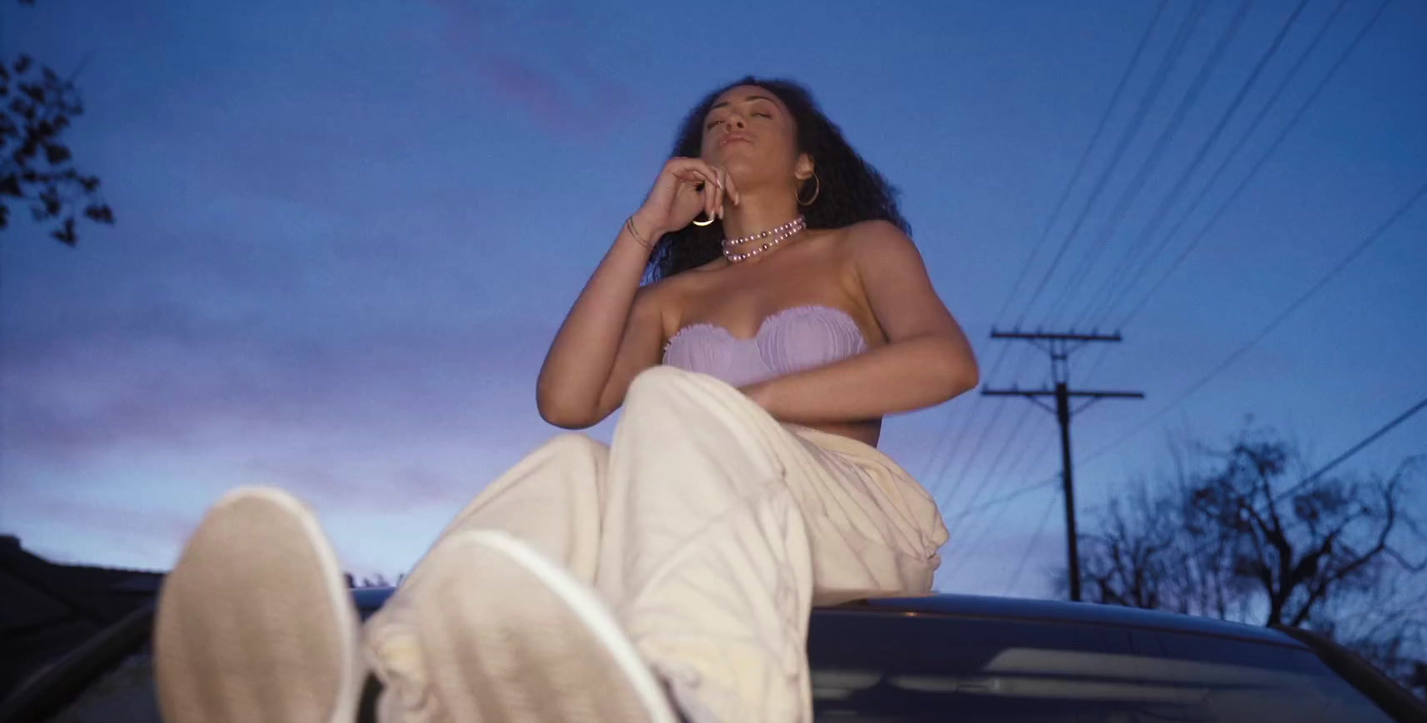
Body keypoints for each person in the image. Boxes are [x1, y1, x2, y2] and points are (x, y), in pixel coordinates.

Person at [151, 76, 978, 723]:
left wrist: (749, 403)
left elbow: (946, 362)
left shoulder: (860, 248)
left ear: (807, 162)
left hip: (842, 514)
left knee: (669, 401)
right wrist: (643, 231)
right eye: (717, 115)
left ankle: (702, 696)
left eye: (761, 113)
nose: (732, 120)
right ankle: (390, 684)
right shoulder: (676, 296)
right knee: (568, 469)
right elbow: (566, 399)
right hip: (701, 520)